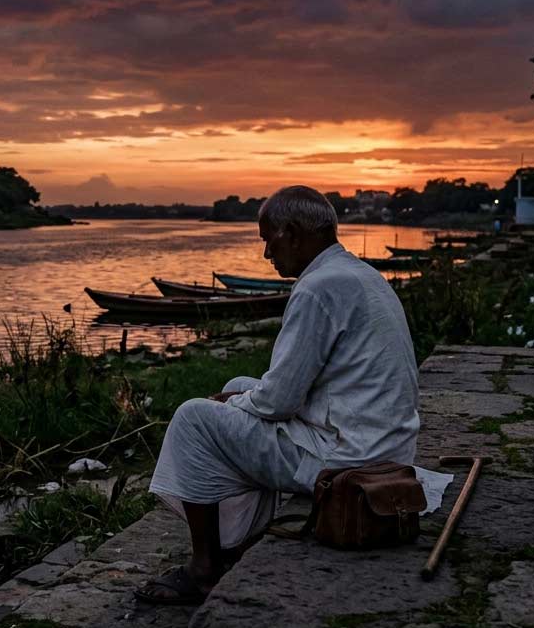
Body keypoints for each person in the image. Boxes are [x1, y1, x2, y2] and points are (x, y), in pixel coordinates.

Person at [135, 185, 420, 604]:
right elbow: (286, 389)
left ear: (292, 233)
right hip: (385, 442)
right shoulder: (358, 274)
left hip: (350, 458)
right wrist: (236, 399)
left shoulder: (318, 287)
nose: (267, 255)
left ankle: (204, 568)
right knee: (237, 386)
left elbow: (279, 401)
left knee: (193, 418)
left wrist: (230, 406)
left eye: (268, 240)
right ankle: (239, 537)